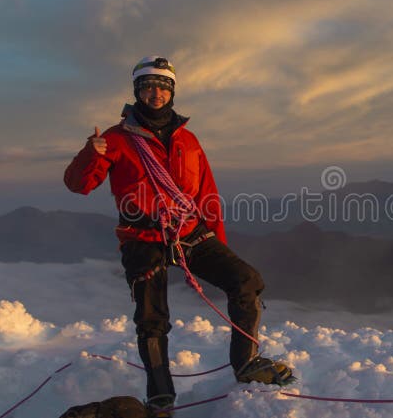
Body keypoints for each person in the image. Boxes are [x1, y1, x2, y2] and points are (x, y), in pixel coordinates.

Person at [64, 56, 292, 416]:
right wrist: (90, 155)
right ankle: (160, 398)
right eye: (147, 86)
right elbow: (78, 185)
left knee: (246, 279)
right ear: (137, 91)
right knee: (152, 318)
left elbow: (206, 194)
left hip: (189, 231)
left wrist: (217, 245)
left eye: (162, 86)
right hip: (142, 236)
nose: (155, 93)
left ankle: (246, 364)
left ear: (172, 92)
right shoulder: (116, 139)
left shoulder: (188, 140)